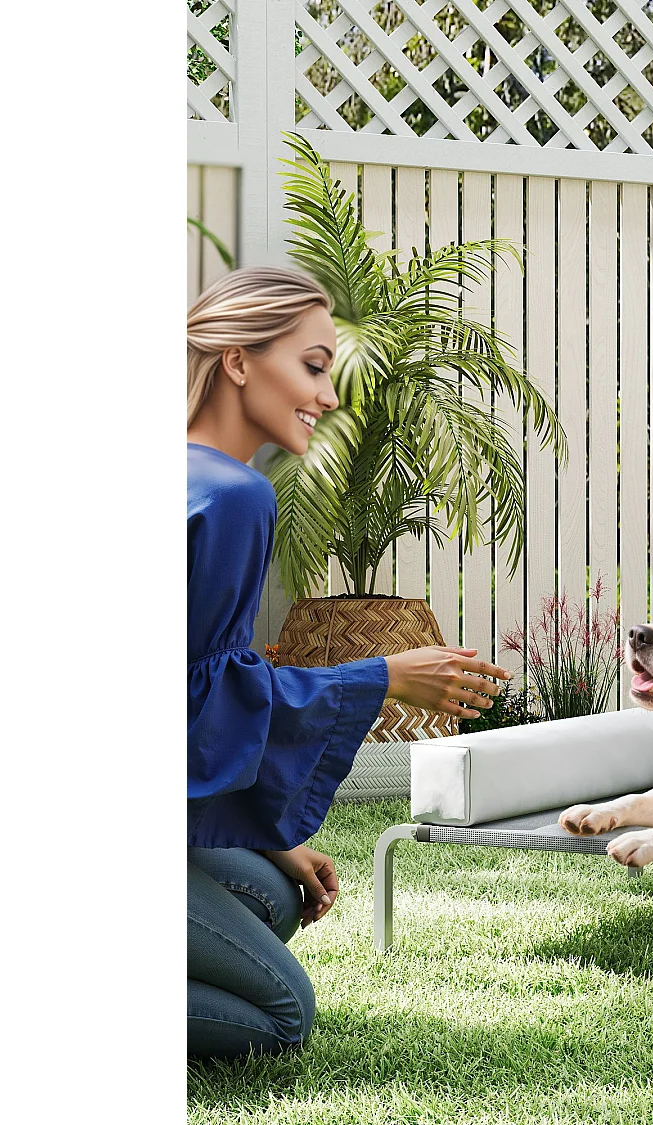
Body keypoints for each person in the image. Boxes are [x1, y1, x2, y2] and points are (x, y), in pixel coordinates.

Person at [186, 267, 510, 1059]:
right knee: (282, 1018)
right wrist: (386, 675)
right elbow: (201, 698)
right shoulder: (233, 496)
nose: (329, 396)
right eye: (314, 365)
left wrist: (271, 836)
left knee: (271, 891)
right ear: (237, 362)